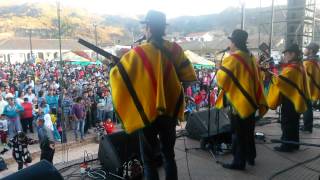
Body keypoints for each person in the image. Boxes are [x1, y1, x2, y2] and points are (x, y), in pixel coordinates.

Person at [110, 10, 197, 180]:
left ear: (148, 28)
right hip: (170, 110)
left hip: (147, 111)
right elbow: (189, 78)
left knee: (148, 160)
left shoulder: (138, 53)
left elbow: (118, 75)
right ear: (163, 28)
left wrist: (114, 65)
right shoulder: (176, 49)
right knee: (169, 155)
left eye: (144, 27)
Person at [216, 29, 268, 170]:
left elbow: (221, 80)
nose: (230, 44)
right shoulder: (250, 57)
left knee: (237, 133)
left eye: (230, 41)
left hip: (238, 103)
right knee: (248, 131)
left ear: (234, 42)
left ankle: (239, 162)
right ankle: (250, 156)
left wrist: (219, 69)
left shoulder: (232, 58)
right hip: (250, 101)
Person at [268, 44, 308, 152]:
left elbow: (280, 81)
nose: (284, 56)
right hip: (296, 99)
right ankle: (294, 144)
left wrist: (270, 74)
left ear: (293, 54)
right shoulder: (299, 65)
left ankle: (286, 145)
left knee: (287, 123)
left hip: (290, 99)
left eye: (286, 54)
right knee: (294, 123)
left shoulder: (292, 68)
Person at [301, 42, 320, 133]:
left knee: (307, 107)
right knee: (307, 107)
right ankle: (307, 126)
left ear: (311, 50)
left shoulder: (308, 63)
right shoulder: (316, 61)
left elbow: (304, 78)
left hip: (306, 89)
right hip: (311, 89)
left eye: (306, 48)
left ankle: (307, 127)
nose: (304, 50)